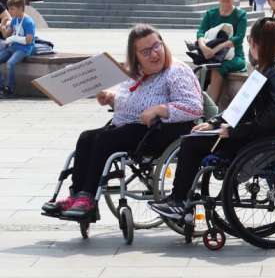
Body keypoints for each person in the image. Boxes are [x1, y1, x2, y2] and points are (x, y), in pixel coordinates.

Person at [46, 25, 203, 218]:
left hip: (162, 131)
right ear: (135, 56)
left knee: (107, 139)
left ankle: (88, 198)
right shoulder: (135, 73)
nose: (154, 54)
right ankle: (77, 194)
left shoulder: (175, 71)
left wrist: (160, 109)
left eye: (156, 46)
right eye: (146, 51)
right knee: (86, 138)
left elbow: (194, 107)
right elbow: (130, 99)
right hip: (133, 129)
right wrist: (111, 98)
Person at [149, 18, 275, 221]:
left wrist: (233, 131)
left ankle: (180, 200)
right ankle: (183, 199)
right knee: (195, 135)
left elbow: (271, 120)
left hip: (259, 140)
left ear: (255, 44)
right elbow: (237, 109)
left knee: (191, 143)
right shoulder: (262, 72)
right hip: (249, 134)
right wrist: (214, 122)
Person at [196, 0, 248, 103]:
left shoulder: (240, 15)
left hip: (234, 57)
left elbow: (238, 38)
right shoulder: (211, 14)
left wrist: (214, 50)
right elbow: (201, 32)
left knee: (217, 67)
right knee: (200, 68)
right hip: (211, 55)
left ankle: (210, 109)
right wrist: (204, 47)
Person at [0, 0, 36, 96]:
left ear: (20, 8)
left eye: (12, 9)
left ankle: (10, 88)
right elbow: (7, 35)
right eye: (9, 9)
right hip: (13, 47)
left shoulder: (28, 21)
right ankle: (1, 86)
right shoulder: (14, 19)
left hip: (24, 48)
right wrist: (2, 26)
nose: (10, 12)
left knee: (10, 63)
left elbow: (29, 40)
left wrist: (14, 38)